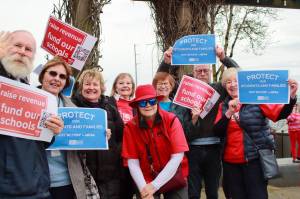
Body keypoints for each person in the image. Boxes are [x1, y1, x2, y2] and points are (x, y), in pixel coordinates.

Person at [159, 46, 239, 199]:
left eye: (206, 71)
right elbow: (162, 79)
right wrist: (166, 62)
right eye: (198, 71)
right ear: (193, 73)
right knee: (193, 193)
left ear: (210, 72)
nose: (202, 74)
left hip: (214, 148)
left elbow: (238, 75)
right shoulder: (183, 88)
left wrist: (223, 58)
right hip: (191, 148)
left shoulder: (218, 89)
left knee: (212, 192)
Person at [213, 68, 298, 199]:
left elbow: (280, 114)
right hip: (230, 164)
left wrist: (291, 97)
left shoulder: (256, 100)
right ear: (225, 86)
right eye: (228, 82)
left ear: (243, 83)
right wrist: (229, 112)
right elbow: (217, 131)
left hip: (254, 162)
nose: (233, 84)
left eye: (236, 81)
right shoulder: (223, 106)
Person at [0, 31, 63, 198]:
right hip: (10, 190)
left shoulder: (32, 93)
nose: (22, 51)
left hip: (38, 187)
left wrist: (52, 132)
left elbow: (39, 142)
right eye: (17, 45)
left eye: (28, 49)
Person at [38, 56, 100, 199]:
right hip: (35, 181)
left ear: (66, 82)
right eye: (52, 73)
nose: (57, 78)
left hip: (66, 182)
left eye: (62, 76)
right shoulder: (27, 101)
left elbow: (81, 144)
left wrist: (98, 135)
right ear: (42, 75)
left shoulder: (73, 109)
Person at [122, 84, 189, 199]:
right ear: (137, 105)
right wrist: (145, 189)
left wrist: (155, 185)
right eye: (143, 103)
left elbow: (177, 157)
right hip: (145, 179)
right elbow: (132, 162)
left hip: (174, 175)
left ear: (157, 102)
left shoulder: (171, 120)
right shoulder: (130, 127)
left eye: (152, 101)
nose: (148, 105)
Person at [72, 68, 123, 199]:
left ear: (101, 87)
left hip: (110, 175)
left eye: (95, 84)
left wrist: (114, 151)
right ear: (81, 86)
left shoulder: (110, 109)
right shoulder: (72, 107)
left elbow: (122, 137)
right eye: (87, 84)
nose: (91, 88)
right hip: (85, 174)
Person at [109, 72, 136, 199]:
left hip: (133, 155)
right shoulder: (109, 103)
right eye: (121, 83)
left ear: (132, 87)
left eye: (128, 83)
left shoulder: (137, 105)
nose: (125, 86)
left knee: (129, 191)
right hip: (115, 156)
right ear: (115, 87)